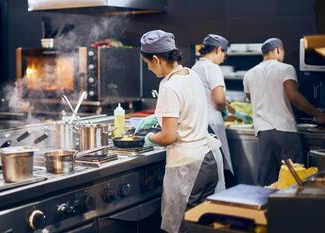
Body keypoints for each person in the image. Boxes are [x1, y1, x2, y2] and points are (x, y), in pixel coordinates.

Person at [136, 30, 225, 233]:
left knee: (183, 227)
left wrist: (147, 138)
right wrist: (158, 118)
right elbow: (187, 112)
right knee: (203, 225)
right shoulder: (190, 73)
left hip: (189, 168)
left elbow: (168, 137)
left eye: (147, 63)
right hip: (209, 158)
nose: (148, 68)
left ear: (157, 59)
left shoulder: (169, 85)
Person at [243, 38, 325, 186]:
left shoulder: (249, 74)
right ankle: (290, 208)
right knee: (292, 178)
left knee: (266, 181)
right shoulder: (286, 68)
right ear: (278, 50)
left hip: (263, 132)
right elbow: (293, 96)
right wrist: (318, 114)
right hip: (285, 131)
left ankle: (265, 208)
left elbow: (250, 98)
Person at [192, 34, 234, 179]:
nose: (224, 57)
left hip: (199, 123)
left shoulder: (195, 67)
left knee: (207, 167)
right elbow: (219, 99)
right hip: (212, 124)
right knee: (219, 166)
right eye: (224, 53)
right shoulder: (213, 68)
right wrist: (225, 111)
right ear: (218, 50)